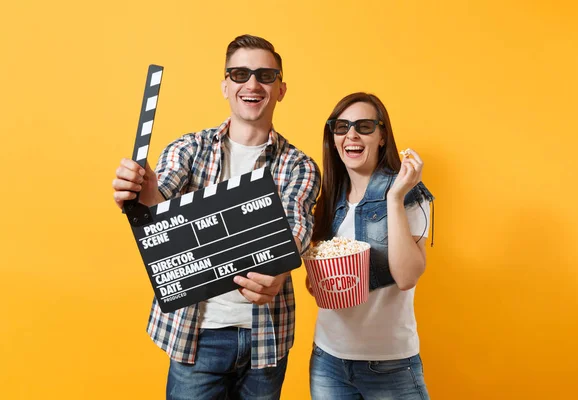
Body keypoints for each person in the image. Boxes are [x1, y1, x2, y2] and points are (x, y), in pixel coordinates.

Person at [112, 34, 320, 400]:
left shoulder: (298, 165)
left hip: (265, 340)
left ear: (281, 88)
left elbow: (296, 228)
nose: (252, 84)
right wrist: (140, 190)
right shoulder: (189, 148)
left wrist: (281, 267)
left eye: (265, 75)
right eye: (239, 74)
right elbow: (159, 200)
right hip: (197, 334)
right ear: (225, 85)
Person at [307, 92, 434, 399]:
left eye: (364, 126)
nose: (351, 134)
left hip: (390, 363)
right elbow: (320, 276)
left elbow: (406, 277)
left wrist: (394, 197)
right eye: (341, 127)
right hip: (328, 360)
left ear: (381, 136)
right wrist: (317, 280)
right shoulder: (327, 198)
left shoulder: (408, 193)